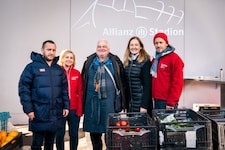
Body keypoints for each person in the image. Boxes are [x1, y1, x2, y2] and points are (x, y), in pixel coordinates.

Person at [18, 40, 70, 150]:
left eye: (53, 50)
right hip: (38, 112)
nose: (51, 52)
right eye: (48, 49)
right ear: (42, 50)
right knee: (37, 143)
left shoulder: (58, 69)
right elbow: (24, 89)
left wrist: (66, 106)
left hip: (55, 113)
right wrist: (28, 109)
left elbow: (64, 90)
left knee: (50, 143)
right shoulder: (32, 67)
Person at [81, 39, 126, 150]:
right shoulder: (89, 62)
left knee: (110, 133)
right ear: (96, 49)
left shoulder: (115, 61)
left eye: (104, 47)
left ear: (108, 49)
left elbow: (122, 81)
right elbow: (83, 81)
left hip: (109, 103)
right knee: (94, 134)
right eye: (99, 46)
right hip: (92, 103)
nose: (101, 48)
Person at [56, 50, 83, 150]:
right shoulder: (57, 72)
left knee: (74, 134)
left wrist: (80, 109)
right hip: (60, 109)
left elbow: (80, 92)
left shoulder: (77, 73)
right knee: (59, 134)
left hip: (74, 109)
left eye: (71, 58)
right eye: (67, 57)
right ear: (62, 59)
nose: (69, 59)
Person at [151, 32, 184, 109]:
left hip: (167, 102)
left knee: (166, 121)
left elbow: (178, 83)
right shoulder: (155, 59)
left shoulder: (175, 59)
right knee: (157, 121)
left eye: (161, 42)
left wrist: (171, 102)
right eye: (156, 43)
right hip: (156, 100)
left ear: (166, 43)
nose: (158, 45)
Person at [123, 36, 153, 115]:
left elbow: (148, 86)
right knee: (131, 126)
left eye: (136, 45)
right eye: (131, 45)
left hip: (141, 104)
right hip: (131, 104)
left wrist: (144, 106)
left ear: (141, 47)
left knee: (141, 127)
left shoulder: (146, 62)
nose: (134, 47)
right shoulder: (127, 62)